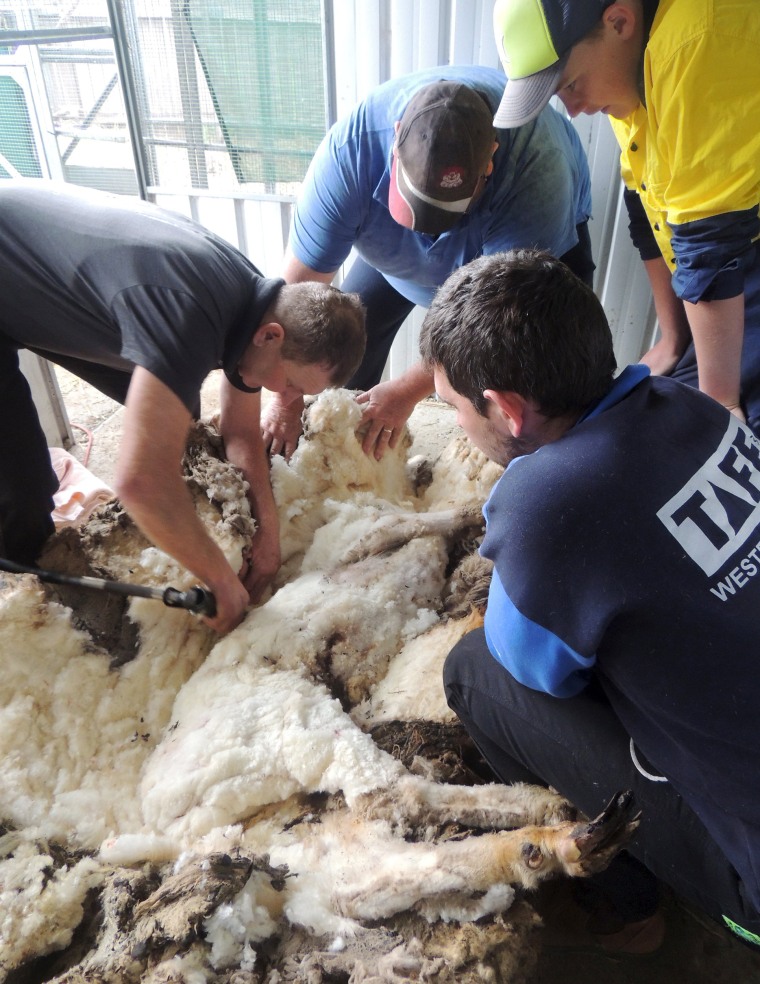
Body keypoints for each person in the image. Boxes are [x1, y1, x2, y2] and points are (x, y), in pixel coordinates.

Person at [419, 249, 760, 954]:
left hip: (751, 873)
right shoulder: (691, 402)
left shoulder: (548, 499)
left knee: (475, 673)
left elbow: (535, 670)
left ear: (507, 409)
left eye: (453, 407)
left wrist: (516, 518)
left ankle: (629, 907)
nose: (455, 425)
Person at [0, 180, 365, 635]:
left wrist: (270, 538)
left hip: (35, 280)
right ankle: (23, 615)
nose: (285, 397)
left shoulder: (259, 306)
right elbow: (139, 483)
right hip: (16, 267)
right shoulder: (188, 320)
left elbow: (241, 433)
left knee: (180, 413)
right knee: (22, 492)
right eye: (289, 382)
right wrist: (219, 579)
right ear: (271, 336)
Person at [262, 65, 594, 461]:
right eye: (415, 202)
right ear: (395, 140)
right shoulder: (349, 155)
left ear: (490, 160)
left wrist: (406, 391)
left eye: (440, 212)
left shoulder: (536, 169)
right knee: (336, 357)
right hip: (390, 254)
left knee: (540, 390)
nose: (426, 234)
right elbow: (294, 303)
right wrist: (286, 397)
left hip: (512, 265)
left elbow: (492, 320)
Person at [492, 0, 760, 436]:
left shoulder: (693, 41)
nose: (574, 109)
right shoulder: (629, 69)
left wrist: (719, 408)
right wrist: (672, 341)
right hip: (722, 275)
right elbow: (644, 207)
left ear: (619, 21)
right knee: (659, 411)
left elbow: (711, 241)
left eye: (572, 85)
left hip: (737, 254)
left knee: (736, 453)